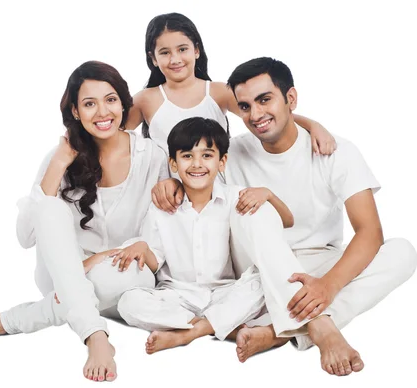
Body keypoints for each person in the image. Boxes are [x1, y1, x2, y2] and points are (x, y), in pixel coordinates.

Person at [153, 57, 417, 376]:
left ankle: (279, 332)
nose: (256, 114)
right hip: (253, 265)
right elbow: (191, 158)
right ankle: (319, 327)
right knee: (255, 203)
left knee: (403, 253)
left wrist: (328, 286)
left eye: (265, 100)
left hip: (319, 263)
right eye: (245, 106)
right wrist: (172, 181)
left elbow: (369, 232)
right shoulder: (231, 153)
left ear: (290, 99)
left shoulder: (335, 151)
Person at [0, 61, 170, 382]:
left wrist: (99, 259)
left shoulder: (152, 156)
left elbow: (162, 233)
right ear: (76, 112)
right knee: (50, 209)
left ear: (123, 103)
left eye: (110, 100)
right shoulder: (61, 157)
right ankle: (96, 334)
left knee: (119, 282)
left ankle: (12, 321)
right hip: (63, 273)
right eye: (89, 103)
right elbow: (26, 236)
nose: (102, 112)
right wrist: (57, 165)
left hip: (124, 273)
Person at [115, 117, 300, 354]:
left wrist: (269, 195)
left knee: (262, 281)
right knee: (128, 303)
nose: (197, 164)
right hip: (177, 295)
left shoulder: (235, 197)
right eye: (187, 156)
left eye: (207, 155)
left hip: (225, 291)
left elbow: (287, 221)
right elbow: (155, 258)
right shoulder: (162, 207)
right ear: (173, 163)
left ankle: (191, 332)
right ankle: (222, 325)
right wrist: (142, 247)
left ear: (222, 162)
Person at [125, 12, 336, 157]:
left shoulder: (218, 92)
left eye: (182, 49)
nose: (175, 59)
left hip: (217, 192)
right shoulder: (146, 99)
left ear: (196, 50)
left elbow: (262, 116)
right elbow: (114, 137)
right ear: (153, 58)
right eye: (165, 53)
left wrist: (314, 126)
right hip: (168, 199)